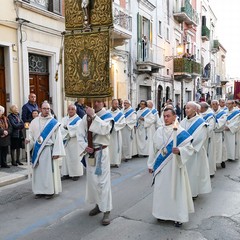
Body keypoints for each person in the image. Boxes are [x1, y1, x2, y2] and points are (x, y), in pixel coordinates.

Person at [147, 108, 194, 227]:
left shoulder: (180, 132)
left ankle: (178, 217)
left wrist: (180, 151)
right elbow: (153, 149)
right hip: (161, 168)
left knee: (176, 191)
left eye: (168, 116)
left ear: (174, 117)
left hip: (175, 166)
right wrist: (151, 164)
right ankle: (161, 214)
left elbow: (190, 149)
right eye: (164, 116)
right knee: (161, 190)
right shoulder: (159, 131)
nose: (166, 118)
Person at [77, 99, 114, 226]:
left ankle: (107, 211)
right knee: (93, 182)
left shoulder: (108, 116)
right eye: (94, 101)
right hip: (90, 153)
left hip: (102, 153)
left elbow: (105, 130)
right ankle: (99, 205)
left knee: (103, 183)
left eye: (98, 101)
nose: (96, 104)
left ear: (103, 103)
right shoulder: (85, 117)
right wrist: (84, 146)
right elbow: (79, 133)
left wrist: (93, 116)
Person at [26, 102, 65, 199]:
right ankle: (39, 191)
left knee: (48, 173)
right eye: (44, 108)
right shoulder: (35, 121)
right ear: (40, 109)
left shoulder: (53, 123)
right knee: (38, 172)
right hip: (37, 150)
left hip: (48, 150)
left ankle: (49, 191)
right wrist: (28, 139)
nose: (46, 110)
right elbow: (30, 133)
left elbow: (58, 138)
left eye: (48, 109)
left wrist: (57, 152)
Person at [180, 101, 211, 198]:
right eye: (185, 108)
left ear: (194, 110)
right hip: (183, 152)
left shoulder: (201, 123)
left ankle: (193, 193)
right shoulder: (183, 121)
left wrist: (187, 147)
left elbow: (200, 138)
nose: (186, 110)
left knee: (193, 173)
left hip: (194, 152)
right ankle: (183, 191)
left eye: (188, 108)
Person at [61, 104, 83, 181]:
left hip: (75, 142)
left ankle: (76, 174)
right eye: (69, 109)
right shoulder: (64, 119)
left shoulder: (79, 120)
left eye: (72, 109)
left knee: (75, 158)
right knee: (66, 158)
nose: (70, 111)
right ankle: (66, 173)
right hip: (66, 141)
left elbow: (77, 129)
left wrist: (67, 128)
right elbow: (61, 128)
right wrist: (66, 130)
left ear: (75, 110)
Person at [199, 102, 216, 177]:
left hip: (207, 138)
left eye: (200, 108)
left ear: (203, 108)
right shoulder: (200, 114)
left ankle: (209, 172)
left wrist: (202, 133)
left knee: (208, 154)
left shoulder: (210, 116)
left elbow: (210, 127)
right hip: (201, 138)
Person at [109, 99, 126, 167]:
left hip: (116, 133)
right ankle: (109, 162)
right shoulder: (107, 113)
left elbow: (123, 123)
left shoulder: (120, 114)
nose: (116, 105)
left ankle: (116, 162)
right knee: (110, 148)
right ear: (111, 104)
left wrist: (114, 126)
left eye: (117, 104)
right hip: (109, 133)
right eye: (115, 104)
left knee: (116, 147)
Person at [211, 100, 227, 168]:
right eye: (213, 104)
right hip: (212, 134)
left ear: (218, 105)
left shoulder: (223, 113)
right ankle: (212, 162)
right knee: (212, 149)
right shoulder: (210, 113)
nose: (214, 105)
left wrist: (213, 125)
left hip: (219, 134)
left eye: (216, 104)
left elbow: (221, 123)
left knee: (221, 148)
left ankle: (222, 161)